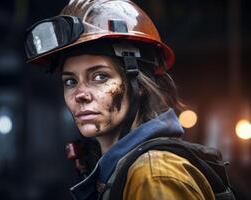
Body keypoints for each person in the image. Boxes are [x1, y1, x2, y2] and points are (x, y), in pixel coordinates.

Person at [24, 0, 224, 199]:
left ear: (139, 85)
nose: (80, 95)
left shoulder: (153, 175)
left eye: (100, 77)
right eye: (70, 81)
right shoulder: (122, 170)